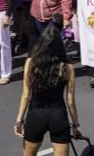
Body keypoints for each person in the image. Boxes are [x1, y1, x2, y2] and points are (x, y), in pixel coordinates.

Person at [14, 26, 81, 156]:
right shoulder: (67, 67)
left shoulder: (31, 62)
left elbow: (26, 95)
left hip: (36, 114)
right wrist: (75, 125)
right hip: (58, 116)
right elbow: (71, 101)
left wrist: (19, 120)